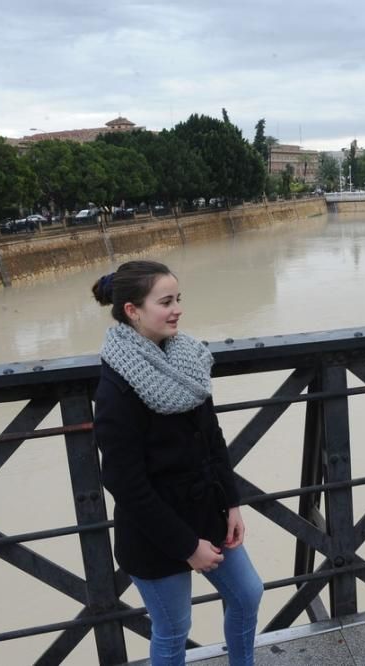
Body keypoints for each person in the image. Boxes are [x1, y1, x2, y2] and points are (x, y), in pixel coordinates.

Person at [92, 260, 262, 666]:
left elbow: (213, 438)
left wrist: (233, 503)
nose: (177, 309)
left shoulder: (189, 360)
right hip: (155, 533)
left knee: (248, 593)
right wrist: (187, 547)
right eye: (165, 301)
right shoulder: (116, 388)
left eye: (178, 299)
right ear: (132, 311)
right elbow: (125, 484)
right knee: (172, 632)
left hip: (207, 509)